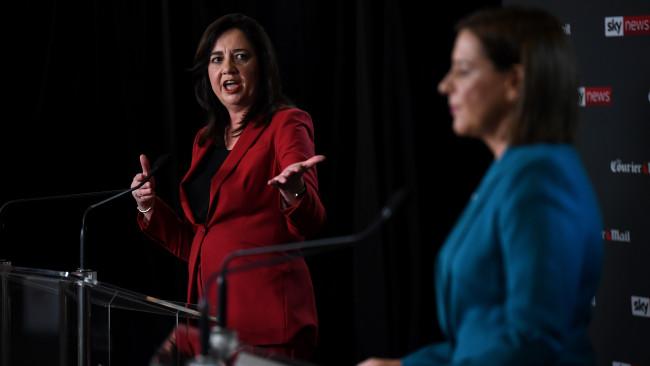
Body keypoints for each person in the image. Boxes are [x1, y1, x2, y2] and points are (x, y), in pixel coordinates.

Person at [360, 6, 603, 366]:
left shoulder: (540, 181)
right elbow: (480, 339)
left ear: (514, 82)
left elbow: (530, 346)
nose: (445, 85)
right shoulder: (512, 171)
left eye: (463, 71)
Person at [131, 13, 326, 361]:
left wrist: (294, 190)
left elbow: (309, 222)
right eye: (217, 59)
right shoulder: (205, 142)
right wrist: (149, 206)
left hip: (267, 321)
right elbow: (200, 242)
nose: (228, 69)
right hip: (213, 323)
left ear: (262, 66)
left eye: (241, 56)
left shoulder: (286, 124)